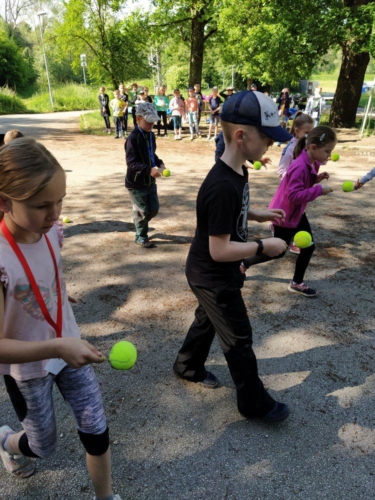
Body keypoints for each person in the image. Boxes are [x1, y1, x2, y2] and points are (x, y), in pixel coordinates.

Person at [0, 138, 121, 500]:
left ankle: (106, 497)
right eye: (42, 206)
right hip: (28, 369)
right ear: (4, 202)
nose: (55, 214)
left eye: (60, 200)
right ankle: (6, 442)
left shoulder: (52, 230)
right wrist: (56, 345)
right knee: (43, 445)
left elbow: (42, 270)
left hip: (70, 349)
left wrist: (54, 290)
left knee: (97, 433)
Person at [173, 90, 293, 422]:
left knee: (208, 320)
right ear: (241, 136)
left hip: (208, 271)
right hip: (213, 274)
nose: (271, 145)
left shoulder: (237, 171)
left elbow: (231, 214)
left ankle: (187, 365)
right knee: (239, 338)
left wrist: (257, 214)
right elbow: (219, 249)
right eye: (267, 138)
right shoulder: (222, 185)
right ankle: (252, 403)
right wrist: (261, 247)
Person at [242, 126, 337, 297]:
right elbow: (294, 196)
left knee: (308, 247)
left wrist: (316, 179)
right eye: (327, 151)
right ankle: (244, 263)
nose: (329, 156)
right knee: (278, 251)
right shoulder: (300, 166)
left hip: (296, 213)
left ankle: (296, 283)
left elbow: (302, 184)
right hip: (284, 215)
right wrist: (319, 190)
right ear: (314, 147)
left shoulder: (312, 162)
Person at [125, 102, 166, 248]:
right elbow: (131, 162)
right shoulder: (133, 138)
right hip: (136, 183)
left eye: (153, 121)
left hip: (149, 182)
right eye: (148, 121)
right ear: (138, 119)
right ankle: (141, 236)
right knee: (143, 211)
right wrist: (149, 170)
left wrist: (159, 163)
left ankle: (139, 219)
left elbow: (151, 154)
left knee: (153, 209)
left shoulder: (150, 135)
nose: (151, 125)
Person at [276, 111, 314, 255]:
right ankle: (281, 230)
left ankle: (294, 240)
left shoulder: (305, 146)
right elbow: (281, 170)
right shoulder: (291, 148)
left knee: (297, 215)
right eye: (307, 132)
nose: (309, 136)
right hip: (290, 192)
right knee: (293, 216)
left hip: (300, 191)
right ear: (297, 131)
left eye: (312, 132)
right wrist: (294, 180)